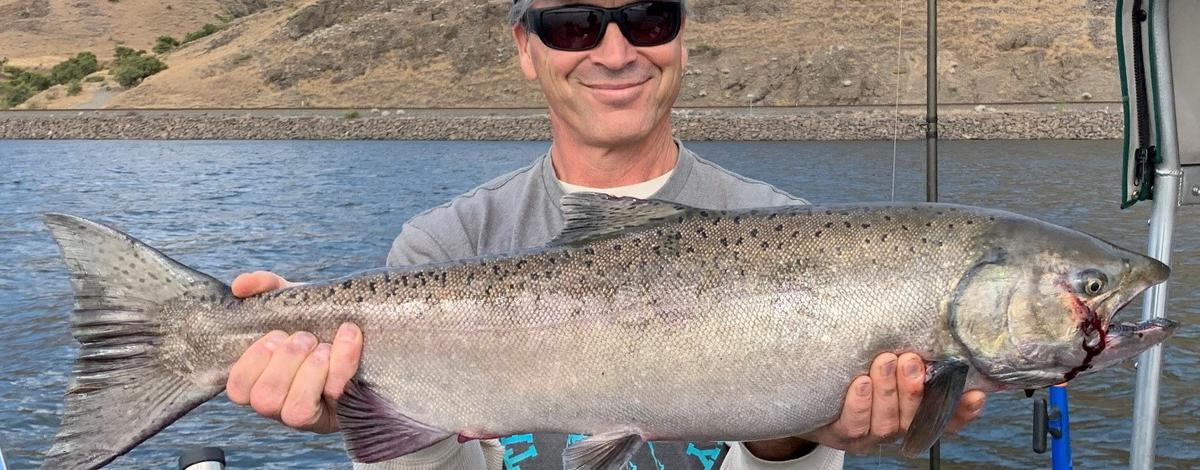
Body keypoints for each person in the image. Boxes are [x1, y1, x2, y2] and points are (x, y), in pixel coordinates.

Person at [224, 0, 988, 468]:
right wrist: (363, 406)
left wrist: (794, 441)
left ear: (682, 38)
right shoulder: (442, 246)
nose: (616, 53)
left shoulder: (795, 233)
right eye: (572, 24)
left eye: (649, 17)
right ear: (525, 48)